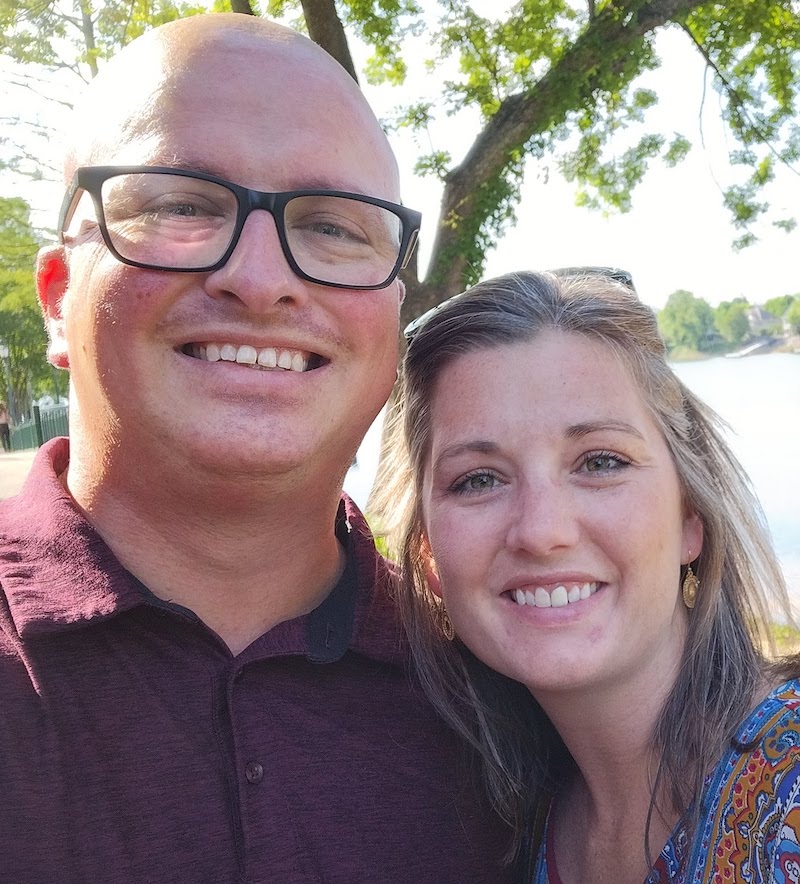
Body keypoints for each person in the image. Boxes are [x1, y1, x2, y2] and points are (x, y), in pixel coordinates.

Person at [0, 15, 513, 882]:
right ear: (57, 298)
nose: (262, 279)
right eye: (182, 204)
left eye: (334, 227)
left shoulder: (504, 709)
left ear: (393, 310)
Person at [375, 270, 800, 882]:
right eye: (479, 479)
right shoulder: (506, 828)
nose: (542, 530)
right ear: (427, 557)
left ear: (690, 514)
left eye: (600, 462)